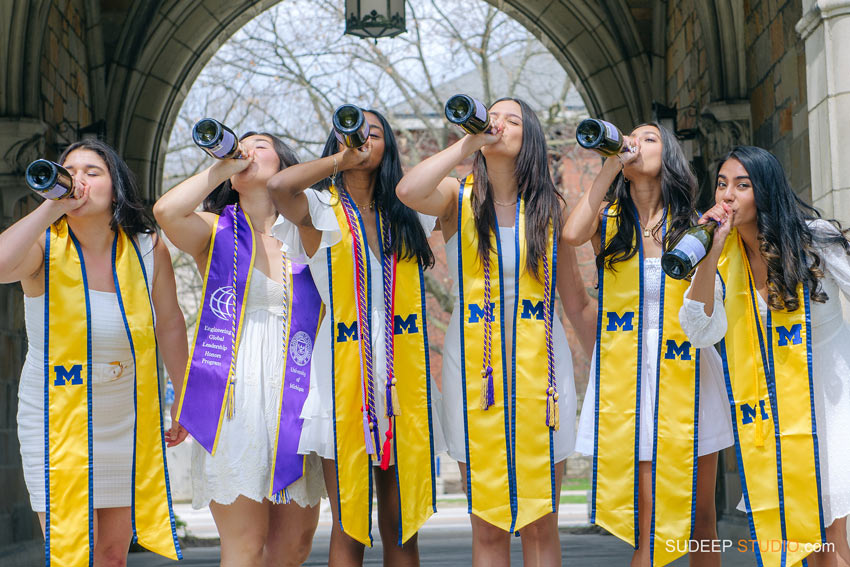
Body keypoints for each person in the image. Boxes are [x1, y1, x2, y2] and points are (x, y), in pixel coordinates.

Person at [395, 97, 595, 567]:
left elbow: (578, 301)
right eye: (494, 116)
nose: (499, 123)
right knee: (486, 523)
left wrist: (609, 371)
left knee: (540, 522)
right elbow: (408, 190)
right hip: (473, 376)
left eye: (512, 119)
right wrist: (469, 141)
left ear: (531, 137)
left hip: (541, 375)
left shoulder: (550, 208)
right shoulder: (455, 197)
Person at [267, 108, 442, 567]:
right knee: (349, 527)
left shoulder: (409, 210)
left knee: (403, 527)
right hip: (342, 372)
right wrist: (339, 161)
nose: (365, 140)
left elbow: (454, 192)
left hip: (404, 370)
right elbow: (278, 188)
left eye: (376, 134)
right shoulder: (319, 208)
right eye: (355, 134)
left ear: (389, 147)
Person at [2, 139, 186, 566]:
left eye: (92, 172)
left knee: (112, 556)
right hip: (56, 416)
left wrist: (185, 398)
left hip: (124, 414)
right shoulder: (45, 246)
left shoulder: (145, 247)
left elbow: (171, 324)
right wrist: (51, 207)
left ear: (116, 186)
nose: (78, 180)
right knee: (73, 551)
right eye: (69, 171)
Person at [564, 122, 734, 567]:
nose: (636, 144)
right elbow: (570, 234)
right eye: (631, 138)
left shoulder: (695, 224)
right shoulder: (609, 222)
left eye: (649, 139)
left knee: (702, 522)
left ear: (670, 156)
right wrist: (610, 162)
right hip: (631, 380)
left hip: (689, 375)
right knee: (650, 523)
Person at [153, 131, 324, 567]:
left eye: (260, 145)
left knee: (294, 547)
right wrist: (224, 165)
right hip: (233, 397)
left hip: (299, 396)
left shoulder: (311, 235)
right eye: (241, 146)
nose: (248, 151)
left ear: (286, 167)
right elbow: (166, 211)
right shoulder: (217, 232)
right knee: (245, 544)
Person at [681, 145, 850, 567]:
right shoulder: (722, 261)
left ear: (765, 190)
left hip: (827, 405)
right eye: (722, 185)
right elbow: (700, 330)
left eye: (742, 185)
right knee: (797, 540)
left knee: (826, 537)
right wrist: (709, 256)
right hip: (771, 411)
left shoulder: (814, 239)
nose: (728, 195)